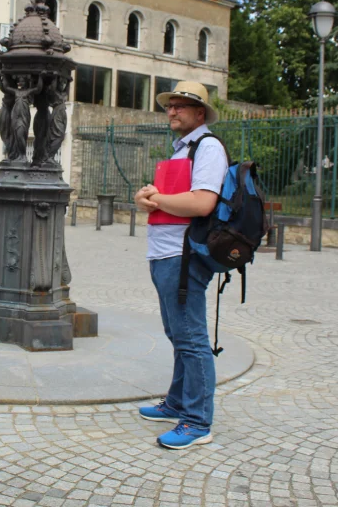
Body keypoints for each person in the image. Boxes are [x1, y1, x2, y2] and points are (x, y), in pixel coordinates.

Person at [134, 81, 228, 450]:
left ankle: (197, 422)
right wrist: (149, 196)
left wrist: (157, 199)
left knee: (191, 339)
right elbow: (172, 199)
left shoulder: (208, 147)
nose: (172, 111)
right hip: (167, 251)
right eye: (170, 106)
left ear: (199, 113)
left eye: (181, 106)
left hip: (185, 254)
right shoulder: (182, 149)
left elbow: (202, 203)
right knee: (178, 335)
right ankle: (176, 403)